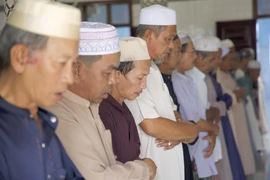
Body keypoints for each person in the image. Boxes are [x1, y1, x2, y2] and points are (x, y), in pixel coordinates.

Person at [47, 22, 156, 180]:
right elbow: (94, 176)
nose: (113, 80)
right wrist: (144, 170)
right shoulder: (61, 113)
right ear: (77, 70)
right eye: (107, 73)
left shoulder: (91, 105)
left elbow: (107, 163)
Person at [0, 0, 84, 179]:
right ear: (21, 57)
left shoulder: (42, 122)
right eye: (61, 63)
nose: (69, 78)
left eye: (72, 64)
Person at [125, 4, 199, 180]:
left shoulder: (154, 68)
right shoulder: (132, 66)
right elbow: (151, 125)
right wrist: (190, 131)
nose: (171, 46)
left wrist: (178, 131)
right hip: (153, 166)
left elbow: (174, 113)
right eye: (168, 39)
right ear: (149, 35)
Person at [159, 32, 219, 180]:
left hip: (199, 148)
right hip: (191, 151)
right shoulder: (172, 82)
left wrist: (211, 132)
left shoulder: (186, 80)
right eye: (191, 53)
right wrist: (215, 129)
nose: (195, 57)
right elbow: (191, 121)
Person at [99, 37, 151, 164]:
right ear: (117, 75)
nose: (144, 85)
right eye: (140, 78)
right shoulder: (102, 111)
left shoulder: (124, 107)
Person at [216, 44, 256, 176]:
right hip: (229, 116)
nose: (231, 63)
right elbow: (223, 94)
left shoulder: (227, 74)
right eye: (228, 59)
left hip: (236, 114)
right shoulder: (217, 75)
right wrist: (234, 94)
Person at [208, 45, 246, 180]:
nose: (218, 61)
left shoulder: (215, 76)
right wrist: (230, 97)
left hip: (223, 119)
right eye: (216, 58)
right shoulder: (211, 76)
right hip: (214, 123)